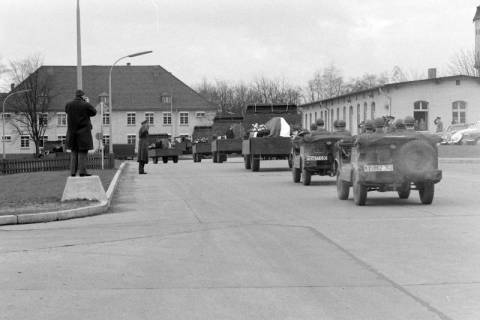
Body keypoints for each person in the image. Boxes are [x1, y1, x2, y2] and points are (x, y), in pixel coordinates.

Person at [65, 89, 97, 177]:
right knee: (82, 152)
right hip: (83, 133)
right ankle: (82, 172)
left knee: (74, 152)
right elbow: (94, 112)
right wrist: (87, 102)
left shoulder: (68, 104)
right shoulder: (85, 105)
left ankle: (72, 172)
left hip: (72, 133)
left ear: (75, 95)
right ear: (82, 96)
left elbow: (67, 111)